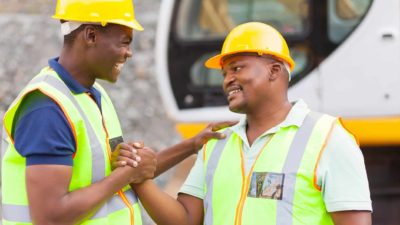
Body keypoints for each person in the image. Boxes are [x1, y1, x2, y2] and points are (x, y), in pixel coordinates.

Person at [1, 1, 234, 224]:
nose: (129, 53)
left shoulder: (92, 95)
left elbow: (126, 174)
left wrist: (193, 144)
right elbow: (50, 218)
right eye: (124, 42)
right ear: (91, 35)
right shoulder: (48, 108)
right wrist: (127, 175)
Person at [116, 22, 372, 225]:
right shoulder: (217, 143)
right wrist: (139, 179)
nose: (228, 80)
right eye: (224, 73)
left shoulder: (328, 138)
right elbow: (185, 219)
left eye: (237, 68)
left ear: (274, 70)